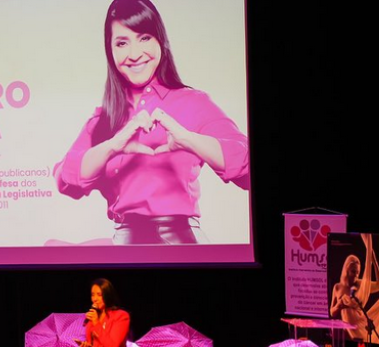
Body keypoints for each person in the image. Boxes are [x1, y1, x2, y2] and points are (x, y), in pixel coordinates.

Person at [54, 0, 249, 244]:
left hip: (182, 241)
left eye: (144, 38)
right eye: (122, 43)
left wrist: (188, 140)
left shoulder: (193, 102)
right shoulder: (104, 119)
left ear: (161, 41)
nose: (134, 54)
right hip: (124, 243)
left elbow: (249, 168)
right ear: (110, 50)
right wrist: (113, 146)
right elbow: (65, 179)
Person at [329, 234, 379, 344]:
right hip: (348, 332)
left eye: (358, 272)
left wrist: (374, 261)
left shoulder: (361, 284)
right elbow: (332, 312)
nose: (356, 275)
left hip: (361, 326)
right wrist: (339, 305)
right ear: (346, 270)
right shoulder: (337, 287)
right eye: (353, 272)